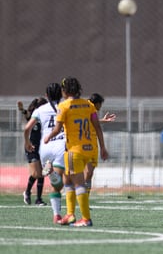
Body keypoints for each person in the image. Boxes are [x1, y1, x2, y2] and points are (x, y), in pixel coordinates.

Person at [44, 77, 109, 227]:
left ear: (64, 90)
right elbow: (97, 126)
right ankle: (70, 214)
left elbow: (57, 128)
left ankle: (86, 218)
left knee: (78, 183)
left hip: (75, 150)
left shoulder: (64, 106)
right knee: (67, 180)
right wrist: (103, 147)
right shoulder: (88, 105)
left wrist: (48, 137)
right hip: (91, 148)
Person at [24, 83, 66, 223]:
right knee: (59, 185)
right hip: (61, 145)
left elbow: (27, 128)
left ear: (47, 95)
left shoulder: (40, 109)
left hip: (45, 148)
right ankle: (58, 214)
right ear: (61, 94)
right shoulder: (65, 107)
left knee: (56, 182)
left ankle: (56, 214)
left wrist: (27, 143)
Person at [85, 93, 116, 195]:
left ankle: (84, 199)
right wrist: (103, 147)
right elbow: (94, 125)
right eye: (100, 104)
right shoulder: (89, 107)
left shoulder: (90, 109)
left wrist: (102, 120)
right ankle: (81, 197)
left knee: (89, 173)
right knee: (87, 173)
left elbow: (91, 122)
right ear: (97, 103)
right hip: (86, 146)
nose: (100, 107)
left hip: (91, 145)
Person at [19, 97, 48, 206]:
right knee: (37, 173)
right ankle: (27, 192)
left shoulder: (45, 117)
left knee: (41, 174)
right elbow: (26, 114)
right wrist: (22, 110)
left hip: (42, 148)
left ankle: (38, 199)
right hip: (31, 147)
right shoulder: (33, 117)